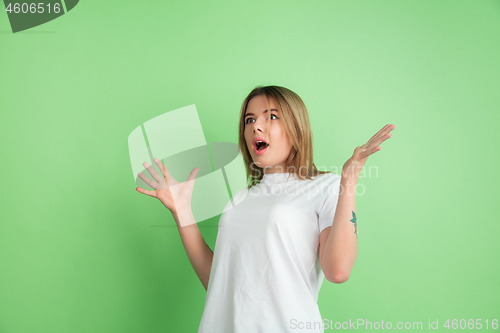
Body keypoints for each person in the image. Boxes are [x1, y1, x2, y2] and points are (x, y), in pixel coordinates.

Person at [136, 85, 396, 332]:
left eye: (271, 116)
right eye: (249, 120)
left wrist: (349, 180)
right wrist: (182, 210)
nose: (256, 126)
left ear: (297, 127)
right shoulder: (239, 200)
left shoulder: (325, 186)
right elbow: (218, 283)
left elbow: (338, 270)